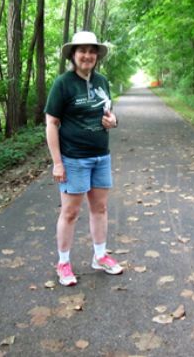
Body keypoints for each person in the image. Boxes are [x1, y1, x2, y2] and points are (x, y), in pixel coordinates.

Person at [44, 31, 123, 286]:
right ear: (73, 55)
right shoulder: (63, 83)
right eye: (82, 51)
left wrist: (114, 121)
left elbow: (109, 113)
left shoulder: (102, 81)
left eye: (92, 51)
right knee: (70, 212)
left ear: (97, 56)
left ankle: (100, 256)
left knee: (100, 208)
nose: (87, 55)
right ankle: (63, 263)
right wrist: (57, 162)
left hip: (101, 157)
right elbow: (51, 123)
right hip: (74, 159)